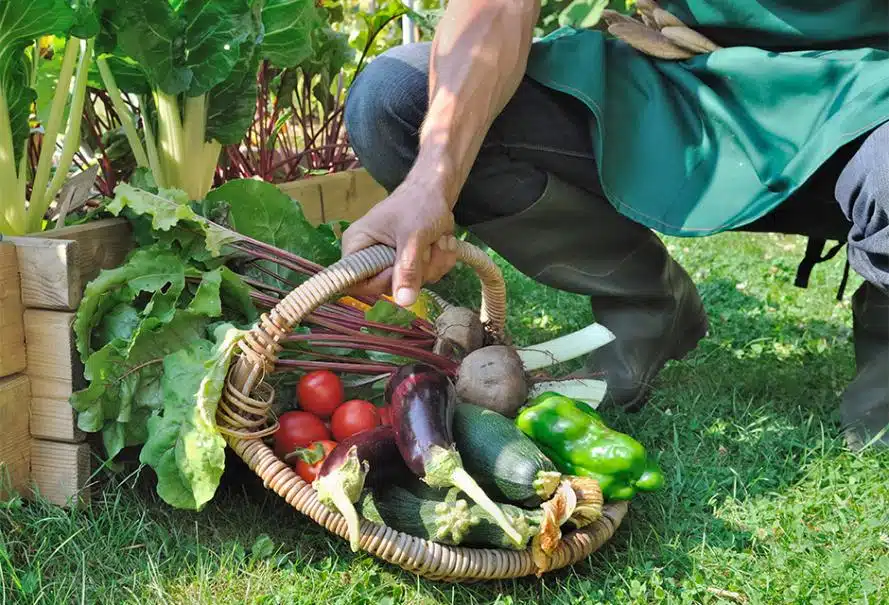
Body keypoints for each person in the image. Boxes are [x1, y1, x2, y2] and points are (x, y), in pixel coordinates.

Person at [339, 0, 889, 449]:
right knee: (399, 100)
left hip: (869, 98)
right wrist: (430, 181)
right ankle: (649, 303)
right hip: (686, 85)